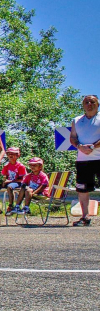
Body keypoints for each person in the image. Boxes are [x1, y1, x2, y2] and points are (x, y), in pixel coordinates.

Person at [70, 94, 100, 226]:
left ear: (97, 104)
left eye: (92, 102)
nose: (89, 104)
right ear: (83, 105)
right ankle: (85, 217)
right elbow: (72, 137)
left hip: (99, 158)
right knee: (82, 189)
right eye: (86, 102)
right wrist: (79, 146)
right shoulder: (76, 120)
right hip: (82, 160)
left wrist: (93, 146)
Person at [0, 147, 27, 216]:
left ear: (17, 156)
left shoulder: (20, 166)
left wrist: (10, 181)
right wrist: (4, 181)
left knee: (10, 187)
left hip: (17, 183)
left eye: (13, 154)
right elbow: (5, 176)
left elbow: (22, 178)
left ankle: (10, 206)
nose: (10, 156)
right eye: (9, 154)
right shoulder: (7, 165)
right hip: (8, 182)